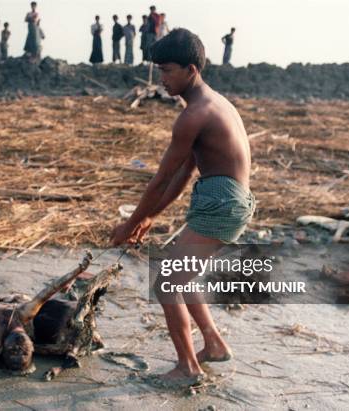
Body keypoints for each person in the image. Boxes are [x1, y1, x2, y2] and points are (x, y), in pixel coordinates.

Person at [110, 28, 255, 386]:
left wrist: (129, 225)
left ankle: (188, 368)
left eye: (168, 70)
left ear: (192, 69)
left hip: (222, 203)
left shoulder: (195, 114)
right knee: (182, 275)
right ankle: (215, 345)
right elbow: (182, 175)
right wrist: (149, 217)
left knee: (166, 283)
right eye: (159, 70)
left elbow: (160, 179)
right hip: (226, 200)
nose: (162, 79)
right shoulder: (211, 104)